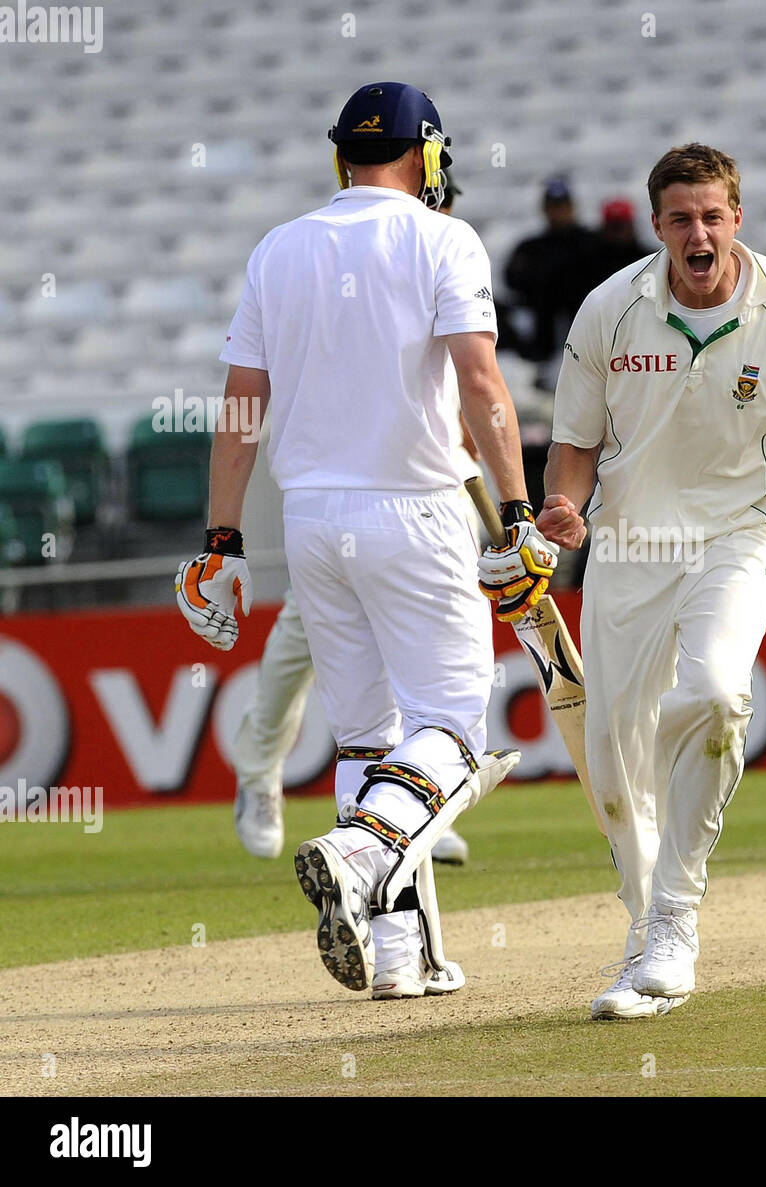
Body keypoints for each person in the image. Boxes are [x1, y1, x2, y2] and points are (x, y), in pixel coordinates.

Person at [176, 82, 557, 1000]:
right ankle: (357, 851)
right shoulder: (444, 238)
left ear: (339, 155)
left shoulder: (280, 247)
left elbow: (238, 410)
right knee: (457, 733)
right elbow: (482, 388)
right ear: (428, 158)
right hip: (416, 508)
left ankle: (399, 957)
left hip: (309, 517)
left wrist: (222, 538)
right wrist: (517, 511)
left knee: (366, 739)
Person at [540, 143, 766, 1020]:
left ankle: (675, 920)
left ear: (737, 218)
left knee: (719, 696)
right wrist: (564, 509)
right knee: (614, 763)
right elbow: (573, 446)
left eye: (713, 215)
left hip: (740, 535)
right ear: (658, 227)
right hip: (629, 545)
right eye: (681, 218)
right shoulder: (609, 310)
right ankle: (647, 934)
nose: (699, 232)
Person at [232, 178, 478, 870]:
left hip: (427, 493)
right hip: (348, 498)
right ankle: (261, 771)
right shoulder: (353, 267)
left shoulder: (442, 266)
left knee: (414, 664)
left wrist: (493, 510)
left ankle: (400, 811)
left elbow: (464, 405)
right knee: (300, 649)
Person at [504, 177, 602, 386]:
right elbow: (512, 280)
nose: (558, 212)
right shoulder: (531, 248)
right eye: (553, 207)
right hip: (542, 334)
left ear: (572, 207)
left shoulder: (594, 243)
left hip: (586, 330)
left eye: (562, 206)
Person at [591, 198, 652, 281]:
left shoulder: (648, 260)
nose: (618, 234)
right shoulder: (589, 262)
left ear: (631, 226)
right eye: (613, 227)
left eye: (621, 227)